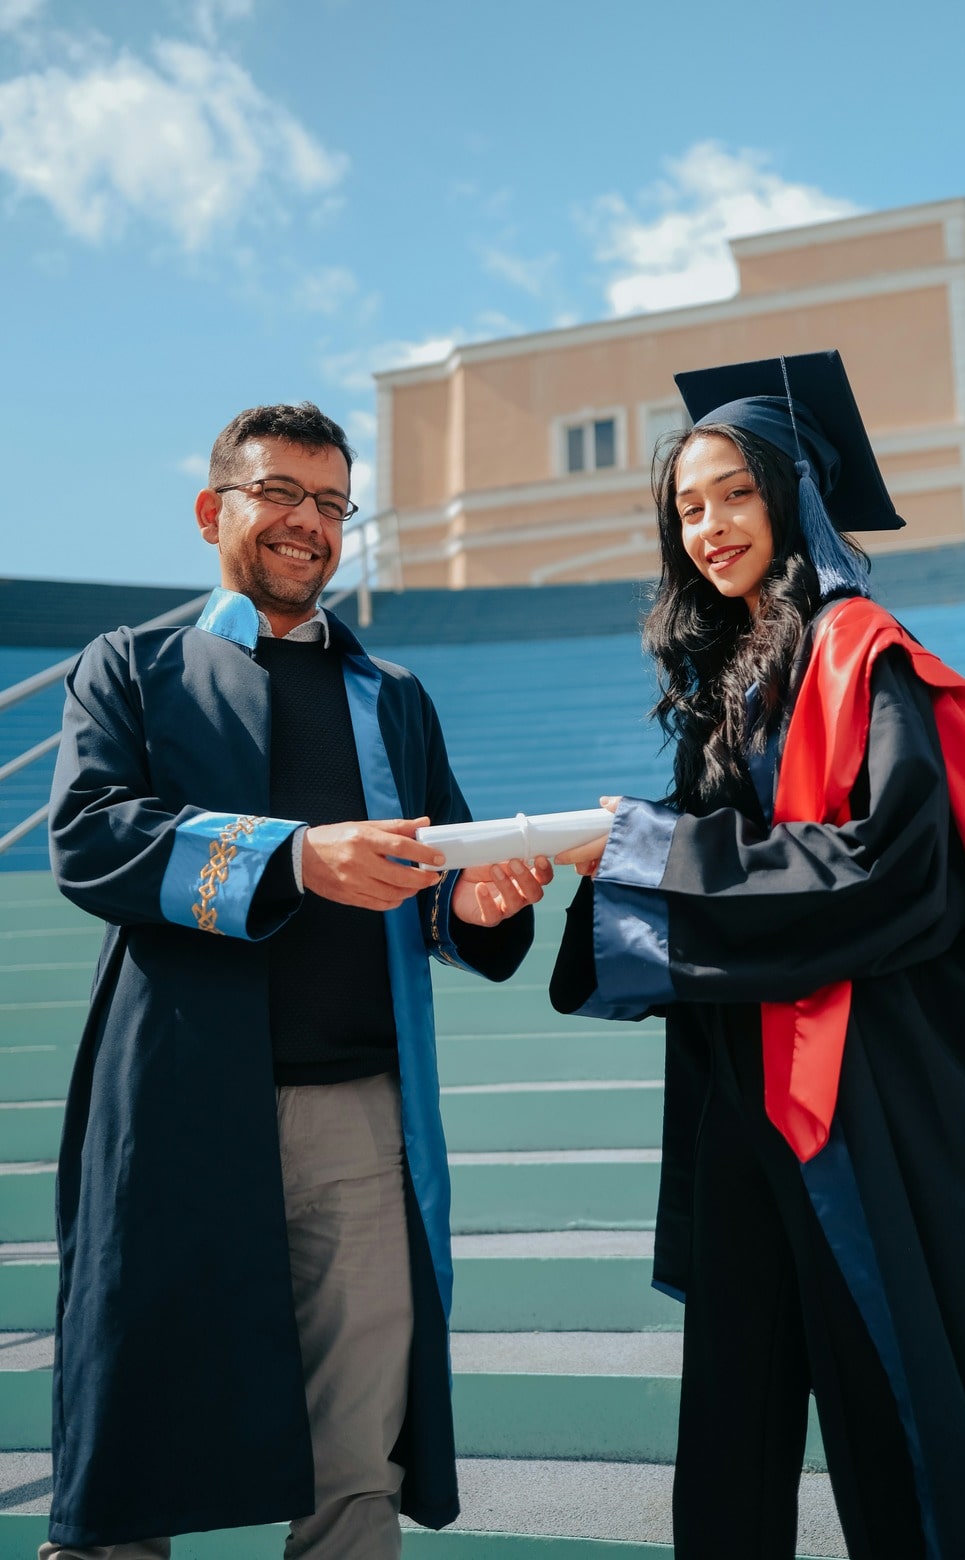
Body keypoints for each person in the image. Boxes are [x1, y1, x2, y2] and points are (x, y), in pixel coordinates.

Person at [550, 351, 965, 1560]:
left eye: (732, 495)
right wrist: (592, 866)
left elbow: (892, 871)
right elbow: (684, 869)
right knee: (733, 1403)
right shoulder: (721, 687)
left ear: (790, 495)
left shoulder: (861, 653)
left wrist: (644, 851)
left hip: (852, 1091)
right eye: (685, 508)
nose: (707, 527)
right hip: (735, 1096)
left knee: (888, 1399)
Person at [44, 400, 552, 1560]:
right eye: (279, 493)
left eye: (331, 503)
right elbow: (89, 834)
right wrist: (291, 854)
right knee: (135, 1427)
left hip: (360, 1115)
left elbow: (440, 876)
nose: (306, 523)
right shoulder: (133, 667)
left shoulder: (392, 696)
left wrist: (471, 903)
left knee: (354, 1449)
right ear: (212, 509)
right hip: (174, 1107)